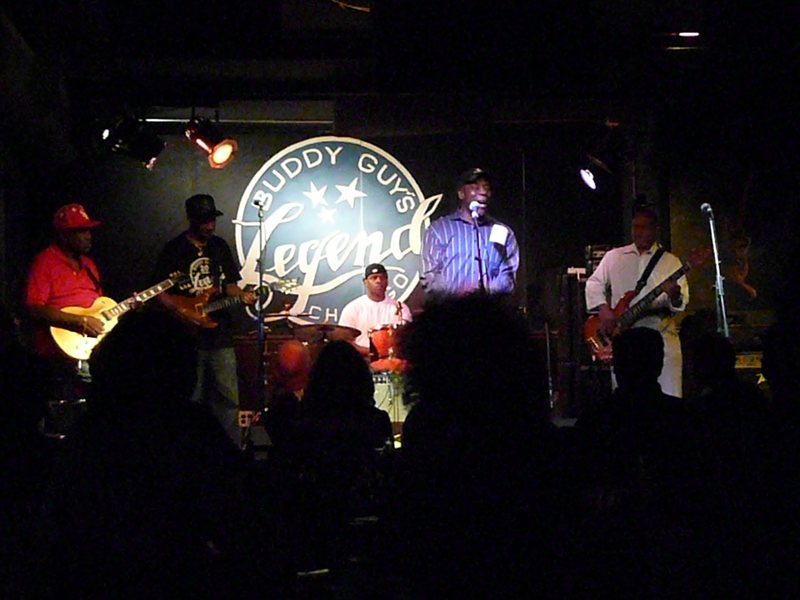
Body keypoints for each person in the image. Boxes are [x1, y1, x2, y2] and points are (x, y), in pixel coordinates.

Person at [153, 194, 255, 446]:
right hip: (186, 339)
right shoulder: (174, 249)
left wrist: (244, 297)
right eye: (204, 221)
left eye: (212, 220)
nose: (210, 226)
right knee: (190, 397)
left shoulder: (219, 247)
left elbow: (230, 287)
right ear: (191, 220)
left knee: (228, 399)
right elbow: (158, 292)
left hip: (220, 335)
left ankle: (229, 452)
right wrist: (183, 312)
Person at [584, 206, 689, 397]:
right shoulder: (614, 257)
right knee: (626, 398)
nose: (638, 232)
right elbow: (593, 283)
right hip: (624, 340)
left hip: (661, 338)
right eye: (635, 226)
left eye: (644, 227)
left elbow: (680, 303)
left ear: (656, 229)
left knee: (668, 395)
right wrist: (604, 309)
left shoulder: (671, 262)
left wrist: (674, 295)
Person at [421, 167, 519, 298]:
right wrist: (461, 292)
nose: (483, 192)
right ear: (461, 193)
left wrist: (484, 292)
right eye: (475, 187)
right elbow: (429, 278)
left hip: (490, 308)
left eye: (486, 187)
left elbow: (508, 278)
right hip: (450, 308)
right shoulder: (438, 230)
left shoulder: (503, 232)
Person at [338, 263, 412, 359]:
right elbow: (345, 341)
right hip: (362, 360)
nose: (379, 281)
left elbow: (408, 339)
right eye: (374, 278)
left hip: (393, 360)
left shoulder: (400, 308)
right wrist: (370, 352)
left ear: (387, 281)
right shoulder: (352, 308)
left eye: (382, 277)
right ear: (365, 282)